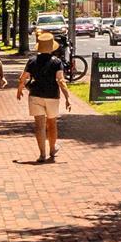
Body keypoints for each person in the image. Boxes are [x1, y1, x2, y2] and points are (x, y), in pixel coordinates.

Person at [17, 30, 75, 163]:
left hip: (35, 95)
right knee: (52, 124)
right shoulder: (57, 62)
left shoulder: (32, 61)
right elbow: (61, 80)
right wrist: (67, 98)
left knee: (39, 125)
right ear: (51, 47)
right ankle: (52, 149)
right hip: (52, 96)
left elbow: (23, 78)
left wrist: (19, 89)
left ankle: (42, 154)